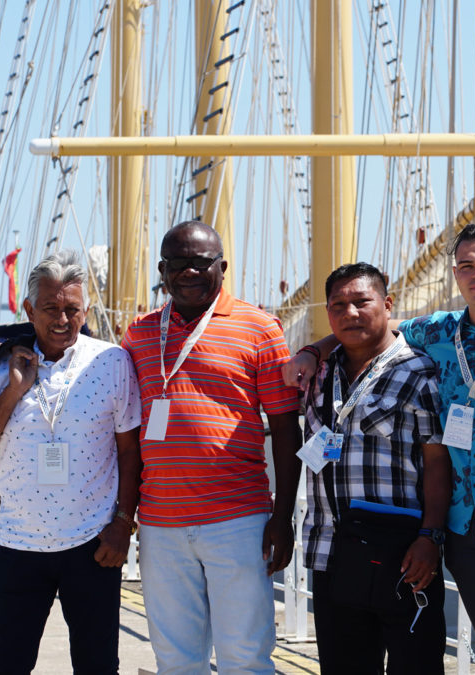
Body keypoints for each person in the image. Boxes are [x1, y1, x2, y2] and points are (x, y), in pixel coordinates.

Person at [286, 221, 475, 674]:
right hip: (463, 524)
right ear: (455, 274)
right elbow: (367, 326)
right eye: (466, 266)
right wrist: (313, 350)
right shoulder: (436, 332)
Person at [122, 221, 302, 674]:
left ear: (222, 265)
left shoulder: (260, 328)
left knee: (245, 655)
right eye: (176, 264)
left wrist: (281, 518)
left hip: (238, 520)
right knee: (176, 659)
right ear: (162, 270)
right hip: (160, 524)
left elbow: (284, 427)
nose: (187, 273)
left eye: (199, 263)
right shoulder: (139, 334)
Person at [0, 250, 142, 674]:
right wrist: (15, 390)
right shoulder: (1, 368)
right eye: (51, 308)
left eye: (72, 309)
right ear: (30, 311)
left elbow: (130, 452)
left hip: (92, 546)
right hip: (17, 545)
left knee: (97, 666)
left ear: (86, 310)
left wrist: (122, 525)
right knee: (6, 665)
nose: (62, 320)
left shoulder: (112, 362)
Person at [301, 262, 451, 674]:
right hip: (330, 552)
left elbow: (438, 463)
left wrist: (430, 537)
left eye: (361, 302)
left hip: (401, 554)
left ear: (387, 304)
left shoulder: (417, 371)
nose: (350, 313)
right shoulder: (318, 372)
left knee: (414, 667)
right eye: (338, 305)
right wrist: (312, 349)